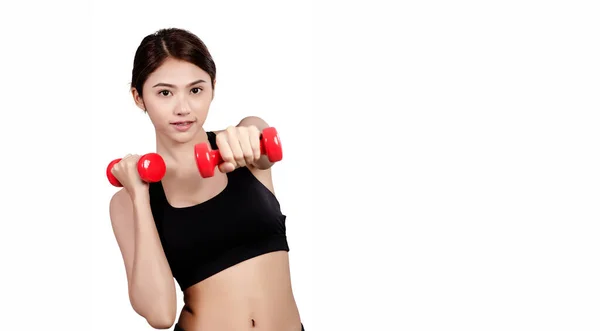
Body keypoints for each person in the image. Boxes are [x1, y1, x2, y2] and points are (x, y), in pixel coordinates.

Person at [108, 28, 304, 331]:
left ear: (212, 87)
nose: (183, 107)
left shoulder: (245, 141)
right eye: (164, 92)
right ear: (138, 97)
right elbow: (160, 314)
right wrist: (139, 196)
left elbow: (266, 153)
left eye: (195, 90)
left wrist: (249, 140)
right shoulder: (128, 200)